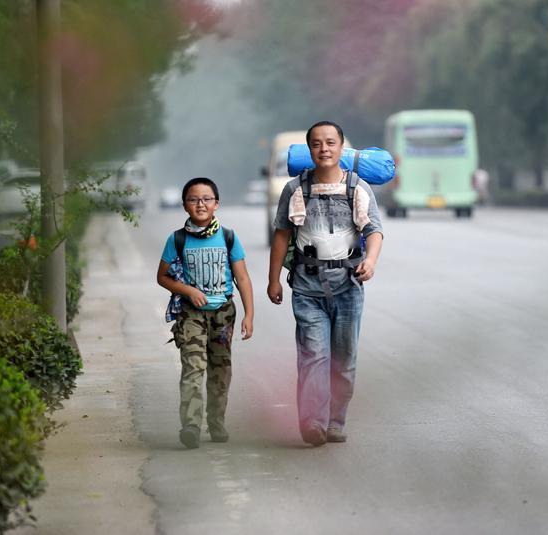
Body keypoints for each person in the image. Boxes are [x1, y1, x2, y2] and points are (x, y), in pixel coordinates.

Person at [267, 121, 383, 446]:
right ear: (309, 150)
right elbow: (281, 235)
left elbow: (374, 230)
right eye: (317, 144)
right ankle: (313, 422)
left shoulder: (358, 188)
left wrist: (370, 261)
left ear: (341, 148)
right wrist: (273, 279)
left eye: (330, 143)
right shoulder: (295, 189)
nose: (324, 149)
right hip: (306, 286)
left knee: (343, 359)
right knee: (313, 355)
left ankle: (335, 420)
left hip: (348, 286)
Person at [157, 177, 254, 449]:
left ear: (216, 204)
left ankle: (216, 421)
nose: (200, 204)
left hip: (223, 314)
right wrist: (188, 290)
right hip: (191, 315)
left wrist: (249, 315)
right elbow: (162, 276)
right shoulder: (176, 239)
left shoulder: (228, 237)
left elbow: (243, 279)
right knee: (193, 366)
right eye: (193, 199)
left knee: (220, 369)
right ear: (185, 205)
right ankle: (190, 425)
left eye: (206, 199)